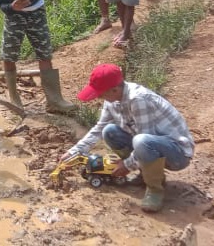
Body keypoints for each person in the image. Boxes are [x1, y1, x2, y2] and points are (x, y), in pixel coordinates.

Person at [62, 64, 194, 212]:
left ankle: (155, 189)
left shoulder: (138, 100)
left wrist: (127, 165)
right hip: (152, 144)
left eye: (101, 93)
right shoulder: (112, 100)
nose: (98, 97)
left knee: (142, 141)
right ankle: (146, 175)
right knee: (109, 131)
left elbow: (146, 138)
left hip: (177, 153)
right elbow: (99, 128)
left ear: (115, 89)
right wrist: (75, 151)